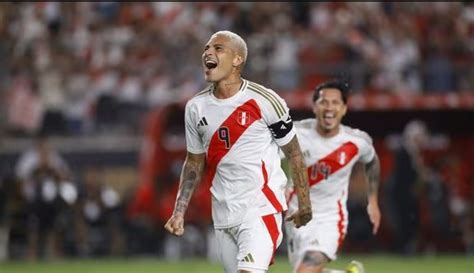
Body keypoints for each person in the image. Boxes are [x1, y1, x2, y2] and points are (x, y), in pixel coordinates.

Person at [164, 30, 312, 273]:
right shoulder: (195, 108)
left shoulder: (265, 101)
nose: (208, 53)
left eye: (218, 48)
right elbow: (193, 163)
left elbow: (294, 152)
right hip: (223, 214)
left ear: (237, 59)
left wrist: (304, 202)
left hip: (260, 208)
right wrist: (179, 211)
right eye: (206, 49)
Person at [284, 80, 381, 273]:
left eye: (335, 103)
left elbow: (372, 162)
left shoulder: (356, 141)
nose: (329, 108)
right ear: (314, 106)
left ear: (344, 108)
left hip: (329, 220)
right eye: (323, 102)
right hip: (295, 220)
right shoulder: (294, 133)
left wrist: (373, 200)